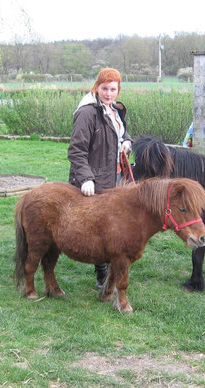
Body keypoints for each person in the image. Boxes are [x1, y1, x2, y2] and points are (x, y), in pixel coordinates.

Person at [67, 67, 132, 289]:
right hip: (96, 180)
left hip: (117, 177)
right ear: (97, 87)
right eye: (104, 88)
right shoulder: (87, 113)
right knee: (101, 228)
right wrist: (85, 178)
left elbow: (121, 132)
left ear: (118, 90)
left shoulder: (114, 110)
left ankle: (112, 267)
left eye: (113, 89)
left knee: (115, 226)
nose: (108, 93)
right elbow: (76, 150)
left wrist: (126, 141)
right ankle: (102, 274)